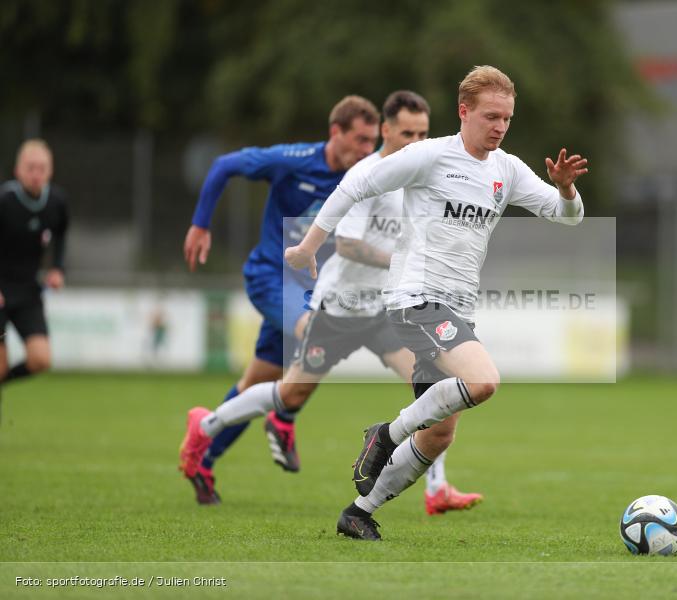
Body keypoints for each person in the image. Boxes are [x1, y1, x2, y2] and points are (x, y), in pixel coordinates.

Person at [284, 65, 588, 540]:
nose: (500, 127)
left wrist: (566, 189)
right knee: (483, 380)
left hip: (457, 310)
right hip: (415, 298)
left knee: (440, 433)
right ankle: (385, 435)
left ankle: (358, 513)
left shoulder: (506, 169)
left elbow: (568, 216)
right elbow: (355, 185)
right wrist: (308, 247)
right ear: (464, 111)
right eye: (491, 116)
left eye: (507, 118)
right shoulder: (429, 156)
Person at [179, 91, 483, 514]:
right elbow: (348, 244)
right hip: (338, 307)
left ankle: (437, 486)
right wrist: (403, 260)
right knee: (290, 392)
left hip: (382, 310)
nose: (416, 142)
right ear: (387, 130)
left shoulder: (421, 177)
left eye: (423, 134)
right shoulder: (369, 174)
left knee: (433, 388)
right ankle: (207, 424)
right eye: (407, 133)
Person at [180, 96, 380, 503]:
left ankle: (203, 452)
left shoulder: (368, 175)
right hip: (271, 277)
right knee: (318, 335)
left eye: (371, 141)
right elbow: (224, 166)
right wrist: (201, 224)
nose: (366, 150)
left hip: (309, 290)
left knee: (257, 385)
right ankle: (284, 421)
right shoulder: (293, 160)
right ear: (335, 132)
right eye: (360, 140)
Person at [0, 139, 69, 418]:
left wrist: (58, 269)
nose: (36, 174)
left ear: (50, 171)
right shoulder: (4, 200)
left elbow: (61, 234)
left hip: (28, 291)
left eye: (42, 168)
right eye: (30, 168)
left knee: (41, 359)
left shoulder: (57, 202)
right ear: (18, 170)